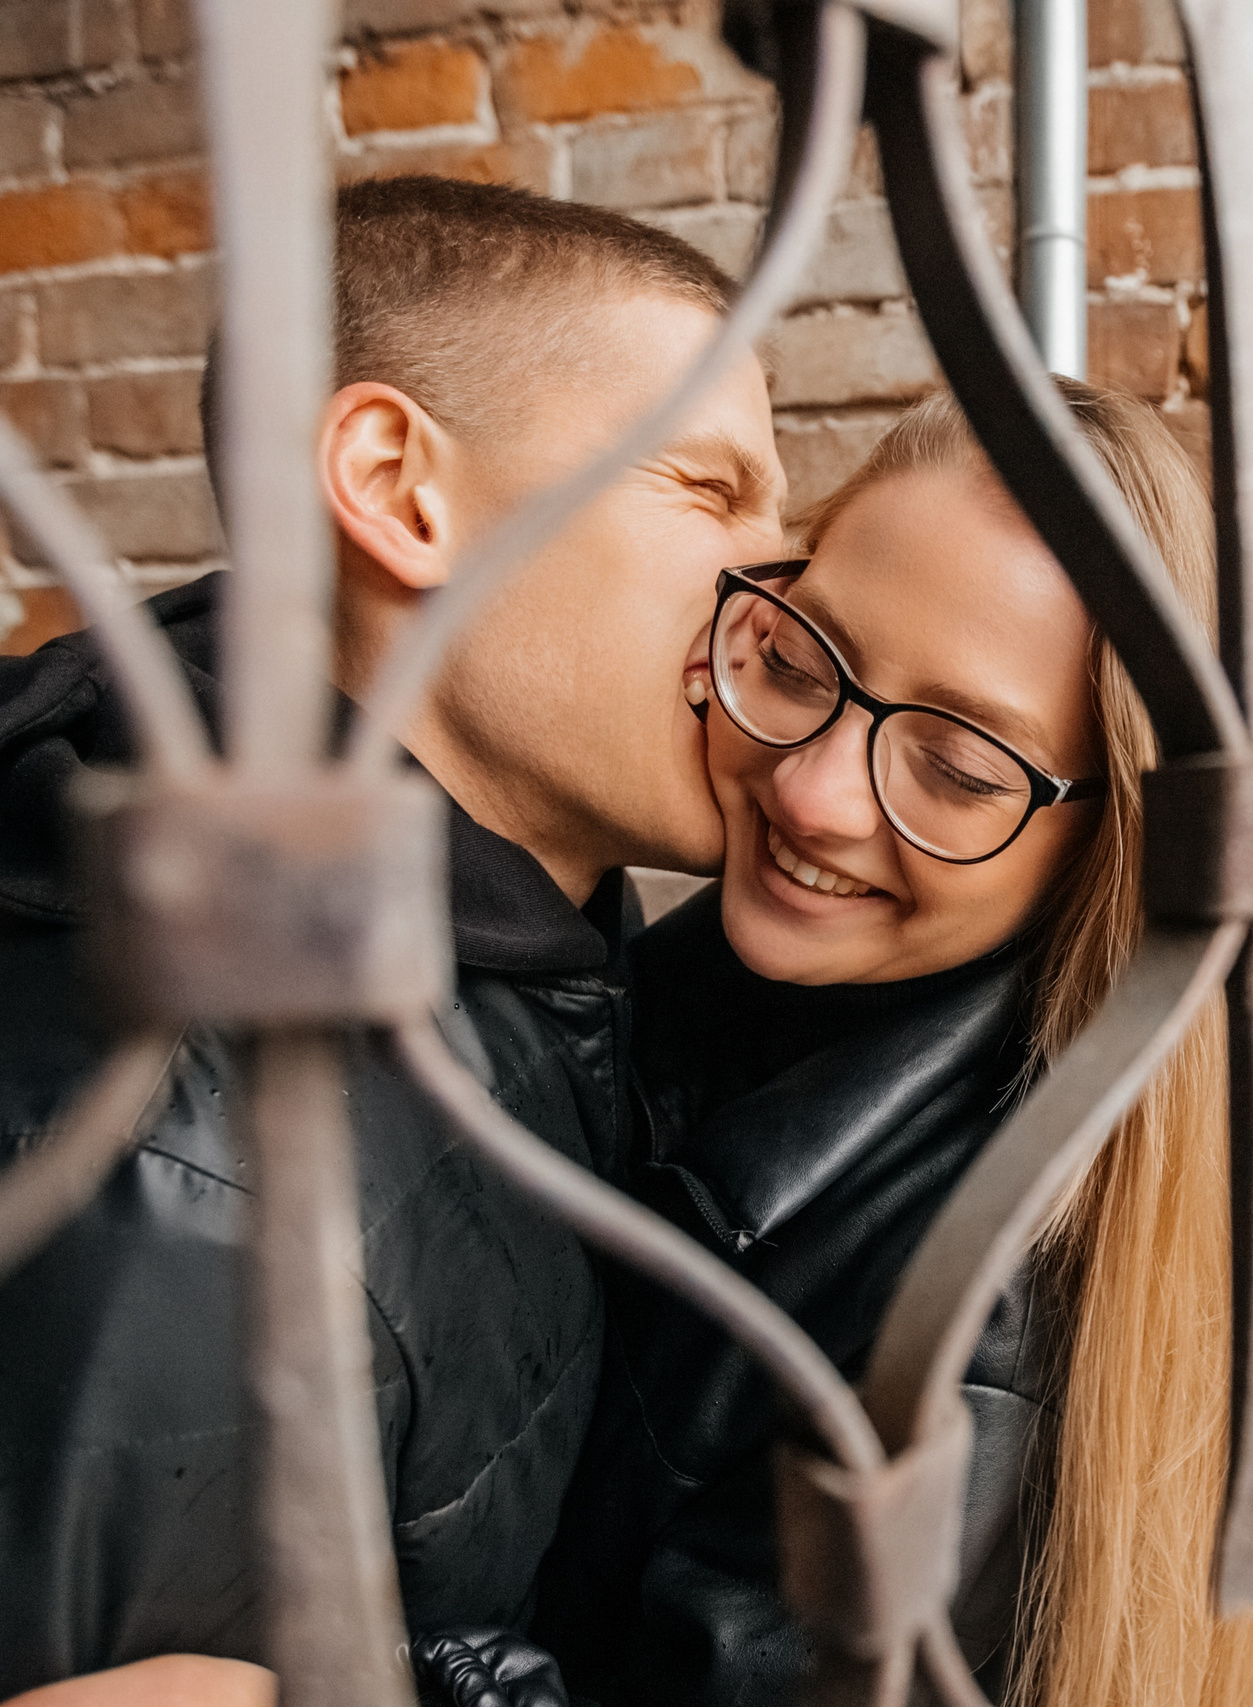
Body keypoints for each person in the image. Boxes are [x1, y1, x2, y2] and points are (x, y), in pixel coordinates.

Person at [0, 176, 786, 1696]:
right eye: (711, 489)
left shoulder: (542, 947)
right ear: (397, 489)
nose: (778, 581)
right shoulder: (190, 1163)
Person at [414, 384, 1253, 1707]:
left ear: (1108, 843)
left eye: (961, 768)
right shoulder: (667, 981)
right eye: (801, 659)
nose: (815, 792)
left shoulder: (963, 1335)